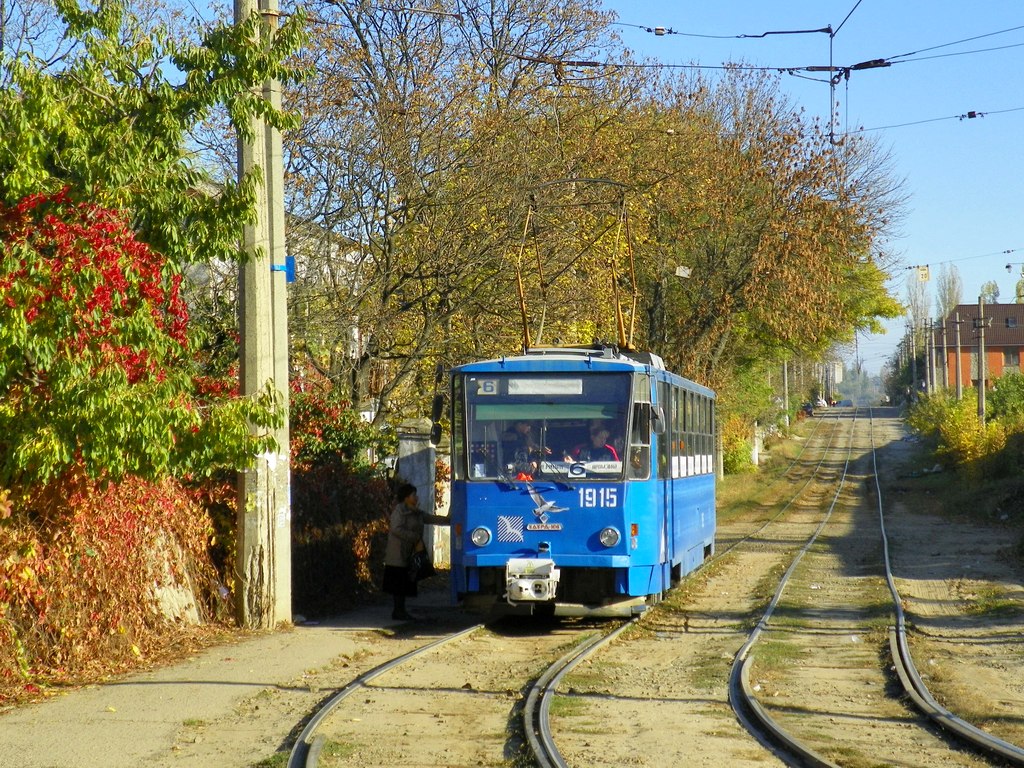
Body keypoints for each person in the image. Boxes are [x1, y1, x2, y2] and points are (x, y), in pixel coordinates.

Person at [382, 483, 450, 621]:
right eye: (414, 495)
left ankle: (401, 611)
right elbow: (396, 529)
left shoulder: (416, 512)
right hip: (398, 552)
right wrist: (414, 537)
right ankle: (398, 611)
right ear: (406, 498)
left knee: (406, 581)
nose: (416, 497)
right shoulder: (399, 511)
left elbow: (430, 518)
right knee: (399, 583)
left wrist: (449, 520)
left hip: (409, 552)